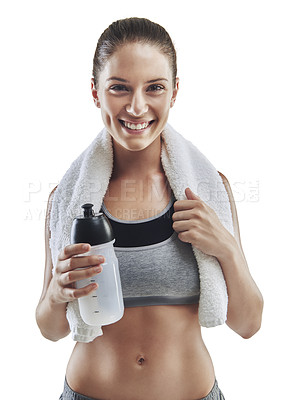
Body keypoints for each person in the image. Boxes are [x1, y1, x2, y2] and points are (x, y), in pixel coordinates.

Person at [36, 17, 264, 400]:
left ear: (174, 92)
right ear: (96, 92)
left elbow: (248, 324)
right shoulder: (66, 200)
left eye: (154, 87)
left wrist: (225, 247)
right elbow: (50, 328)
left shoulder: (210, 191)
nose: (137, 107)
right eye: (119, 88)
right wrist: (57, 293)